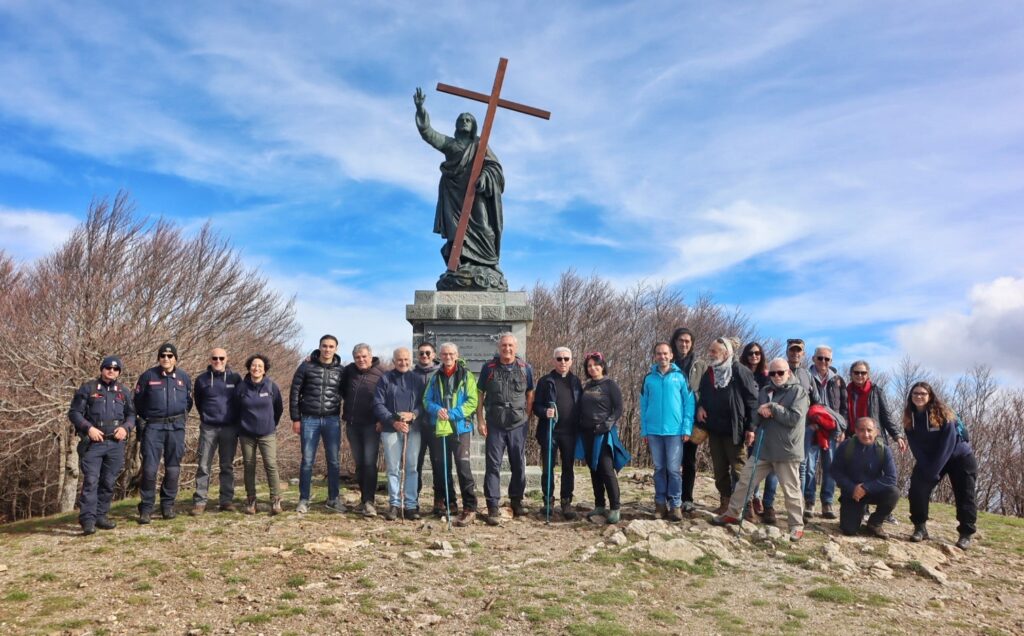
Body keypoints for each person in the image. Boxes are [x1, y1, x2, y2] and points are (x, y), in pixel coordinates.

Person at [414, 87, 507, 291]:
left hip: (476, 194)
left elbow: (494, 167)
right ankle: (459, 266)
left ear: (473, 125)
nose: (465, 121)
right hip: (455, 197)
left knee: (485, 229)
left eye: (468, 119)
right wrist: (421, 109)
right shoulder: (451, 144)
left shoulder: (480, 145)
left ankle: (489, 264)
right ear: (456, 125)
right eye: (461, 119)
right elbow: (428, 134)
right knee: (457, 235)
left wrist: (484, 177)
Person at [713, 358, 809, 542]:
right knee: (745, 481)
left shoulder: (799, 392)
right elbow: (757, 413)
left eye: (780, 372)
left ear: (788, 372)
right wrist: (753, 426)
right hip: (763, 448)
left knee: (791, 490)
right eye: (773, 373)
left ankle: (796, 526)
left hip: (786, 450)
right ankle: (733, 513)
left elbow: (794, 419)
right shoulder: (765, 391)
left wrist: (773, 408)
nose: (776, 376)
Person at [903, 382, 977, 549]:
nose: (919, 396)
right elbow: (915, 447)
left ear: (930, 396)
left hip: (959, 457)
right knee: (917, 488)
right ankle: (920, 528)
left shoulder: (943, 414)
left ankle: (966, 533)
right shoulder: (909, 418)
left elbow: (948, 444)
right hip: (930, 460)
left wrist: (933, 470)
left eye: (923, 393)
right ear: (910, 396)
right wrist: (925, 468)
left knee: (965, 494)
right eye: (915, 393)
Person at [68, 355, 135, 535]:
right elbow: (74, 413)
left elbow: (131, 415)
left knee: (108, 481)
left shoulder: (123, 391)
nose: (111, 371)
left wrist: (126, 428)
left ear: (119, 372)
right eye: (108, 368)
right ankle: (87, 520)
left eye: (115, 369)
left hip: (115, 443)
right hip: (94, 443)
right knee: (90, 481)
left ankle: (101, 516)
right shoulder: (88, 388)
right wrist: (88, 428)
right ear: (102, 369)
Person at [695, 338, 759, 515]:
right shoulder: (709, 372)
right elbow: (703, 395)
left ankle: (747, 507)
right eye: (711, 350)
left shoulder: (739, 370)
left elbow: (753, 400)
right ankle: (725, 502)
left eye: (714, 351)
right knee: (719, 469)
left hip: (735, 429)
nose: (711, 354)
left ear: (726, 353)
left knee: (739, 468)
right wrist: (700, 407)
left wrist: (751, 428)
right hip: (714, 428)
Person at [478, 333, 535, 526]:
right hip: (495, 423)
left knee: (518, 463)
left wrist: (527, 416)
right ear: (499, 347)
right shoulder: (489, 368)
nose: (507, 349)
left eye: (510, 345)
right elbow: (480, 394)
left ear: (515, 347)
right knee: (492, 465)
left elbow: (530, 394)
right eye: (504, 345)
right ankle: (493, 505)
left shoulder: (525, 368)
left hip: (518, 424)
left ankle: (516, 500)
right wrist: (480, 419)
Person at [134, 343, 193, 523]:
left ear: (175, 358)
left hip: (176, 427)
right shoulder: (148, 376)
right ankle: (146, 509)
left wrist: (178, 418)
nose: (166, 359)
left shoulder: (184, 377)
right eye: (163, 356)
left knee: (173, 468)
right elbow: (137, 402)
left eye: (170, 356)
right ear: (159, 358)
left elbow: (188, 403)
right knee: (150, 469)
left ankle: (167, 506)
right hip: (153, 428)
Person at [423, 342, 480, 526]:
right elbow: (426, 400)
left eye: (451, 354)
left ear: (457, 355)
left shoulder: (467, 376)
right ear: (440, 356)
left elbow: (473, 401)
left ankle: (470, 507)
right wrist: (438, 410)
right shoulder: (435, 377)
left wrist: (452, 414)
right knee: (441, 466)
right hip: (441, 427)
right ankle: (450, 503)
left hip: (460, 427)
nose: (448, 357)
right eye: (444, 354)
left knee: (463, 467)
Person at [289, 334, 345, 514]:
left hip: (332, 420)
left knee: (334, 461)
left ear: (336, 349)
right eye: (324, 346)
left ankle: (333, 499)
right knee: (307, 461)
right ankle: (304, 499)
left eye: (331, 346)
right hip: (309, 419)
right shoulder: (306, 366)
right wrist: (295, 418)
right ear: (319, 347)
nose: (327, 349)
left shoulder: (341, 371)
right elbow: (294, 392)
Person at [847, 360, 908, 524]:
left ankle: (885, 512)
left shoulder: (876, 391)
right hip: (854, 439)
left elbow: (886, 415)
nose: (860, 376)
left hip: (876, 439)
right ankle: (863, 509)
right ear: (851, 374)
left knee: (882, 476)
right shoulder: (846, 391)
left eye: (863, 373)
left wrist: (897, 435)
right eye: (856, 373)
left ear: (868, 374)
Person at [640, 342, 694, 521]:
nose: (662, 357)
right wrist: (644, 430)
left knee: (673, 470)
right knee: (659, 468)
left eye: (665, 353)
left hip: (675, 431)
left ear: (671, 355)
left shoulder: (680, 377)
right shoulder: (649, 378)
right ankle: (660, 504)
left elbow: (689, 404)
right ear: (654, 356)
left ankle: (675, 505)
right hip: (654, 431)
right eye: (658, 354)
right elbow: (644, 405)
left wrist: (686, 428)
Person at [373, 347, 426, 521]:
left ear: (410, 360)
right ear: (394, 361)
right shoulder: (385, 379)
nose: (403, 362)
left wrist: (414, 415)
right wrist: (392, 421)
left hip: (413, 429)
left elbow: (423, 403)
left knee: (411, 467)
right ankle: (394, 504)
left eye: (406, 359)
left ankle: (411, 505)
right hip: (390, 429)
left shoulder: (417, 379)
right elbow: (378, 404)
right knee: (393, 468)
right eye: (399, 360)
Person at [578, 352, 629, 525]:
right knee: (594, 469)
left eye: (595, 365)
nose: (592, 368)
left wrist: (607, 424)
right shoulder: (586, 386)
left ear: (602, 365)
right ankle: (599, 504)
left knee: (606, 469)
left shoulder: (610, 385)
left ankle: (615, 507)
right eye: (589, 366)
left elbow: (618, 408)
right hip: (586, 433)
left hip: (603, 433)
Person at [533, 346, 582, 521]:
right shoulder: (545, 381)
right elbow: (535, 406)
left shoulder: (576, 382)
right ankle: (548, 501)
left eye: (566, 359)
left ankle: (566, 501)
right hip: (550, 431)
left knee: (568, 468)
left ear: (571, 361)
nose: (563, 362)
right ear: (553, 361)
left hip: (570, 433)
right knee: (548, 467)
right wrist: (544, 411)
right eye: (559, 359)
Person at [191, 347, 242, 515]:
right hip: (208, 427)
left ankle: (226, 500)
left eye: (221, 358)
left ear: (227, 359)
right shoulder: (202, 380)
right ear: (210, 360)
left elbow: (241, 400)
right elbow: (198, 402)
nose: (218, 361)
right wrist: (207, 416)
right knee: (204, 465)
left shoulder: (235, 378)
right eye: (215, 358)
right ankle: (200, 501)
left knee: (226, 466)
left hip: (229, 427)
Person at [829, 417, 899, 538]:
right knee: (848, 530)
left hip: (874, 491)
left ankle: (875, 523)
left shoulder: (884, 450)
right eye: (861, 430)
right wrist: (852, 488)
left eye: (869, 430)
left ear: (876, 431)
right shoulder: (846, 446)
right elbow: (835, 471)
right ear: (856, 431)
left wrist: (866, 488)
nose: (866, 434)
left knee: (894, 492)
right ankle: (857, 514)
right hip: (852, 493)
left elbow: (891, 478)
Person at [803, 345, 848, 520]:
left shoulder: (838, 380)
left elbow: (844, 407)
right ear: (813, 358)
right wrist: (808, 423)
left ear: (831, 361)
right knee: (809, 467)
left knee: (830, 467)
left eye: (827, 359)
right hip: (812, 428)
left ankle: (827, 502)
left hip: (832, 430)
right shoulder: (805, 376)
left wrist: (843, 428)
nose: (823, 362)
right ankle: (809, 501)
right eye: (820, 358)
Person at [234, 354, 283, 515]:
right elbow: (235, 409)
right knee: (249, 466)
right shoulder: (241, 387)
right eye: (254, 365)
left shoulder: (271, 386)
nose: (256, 368)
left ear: (265, 369)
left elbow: (278, 409)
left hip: (267, 433)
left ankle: (275, 500)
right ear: (249, 368)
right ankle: (251, 500)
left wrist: (270, 423)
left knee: (271, 464)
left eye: (260, 366)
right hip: (246, 434)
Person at [342, 343, 386, 517]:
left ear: (371, 355)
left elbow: (387, 398)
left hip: (372, 425)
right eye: (357, 357)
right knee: (359, 463)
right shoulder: (348, 371)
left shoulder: (381, 373)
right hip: (352, 424)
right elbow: (341, 390)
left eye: (364, 356)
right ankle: (363, 500)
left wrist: (382, 419)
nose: (361, 360)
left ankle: (369, 501)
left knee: (369, 463)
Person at [670, 326, 708, 514]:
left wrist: (702, 406)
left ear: (691, 344)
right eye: (680, 340)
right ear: (674, 342)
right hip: (669, 419)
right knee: (670, 461)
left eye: (687, 341)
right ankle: (671, 496)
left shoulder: (700, 365)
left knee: (689, 460)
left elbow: (707, 389)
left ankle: (687, 498)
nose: (684, 344)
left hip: (691, 419)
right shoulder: (668, 361)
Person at [740, 342, 775, 519]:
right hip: (742, 421)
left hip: (760, 424)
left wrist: (754, 425)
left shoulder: (766, 376)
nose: (754, 356)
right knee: (748, 462)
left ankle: (758, 498)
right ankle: (748, 499)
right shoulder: (740, 373)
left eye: (757, 353)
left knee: (761, 463)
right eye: (750, 353)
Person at [413, 341, 439, 509]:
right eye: (421, 353)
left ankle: (439, 500)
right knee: (416, 464)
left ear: (434, 355)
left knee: (438, 464)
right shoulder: (411, 374)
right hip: (417, 426)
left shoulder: (440, 374)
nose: (424, 356)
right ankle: (413, 499)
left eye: (428, 353)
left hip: (436, 425)